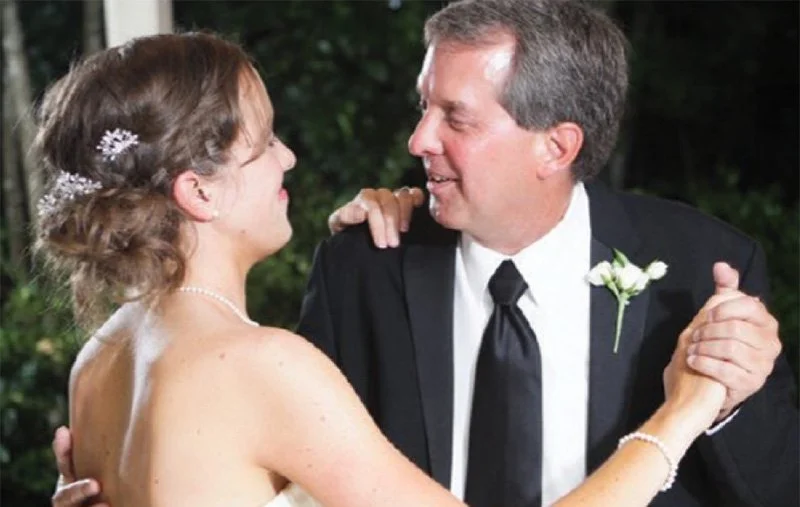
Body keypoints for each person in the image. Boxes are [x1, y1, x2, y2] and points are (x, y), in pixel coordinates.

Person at [40, 30, 741, 507]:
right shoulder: (262, 367)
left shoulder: (101, 358)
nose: (288, 158)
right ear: (198, 192)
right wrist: (682, 412)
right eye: (265, 142)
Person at [312, 0, 798, 506]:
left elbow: (783, 489)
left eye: (456, 118)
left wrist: (729, 405)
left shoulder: (698, 270)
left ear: (557, 148)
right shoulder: (362, 268)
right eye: (424, 107)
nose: (419, 141)